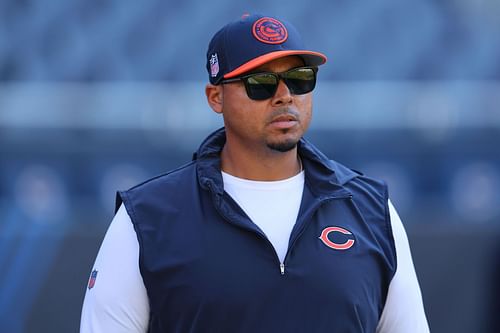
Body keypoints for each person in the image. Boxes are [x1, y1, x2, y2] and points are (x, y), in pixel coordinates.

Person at [80, 13, 429, 333]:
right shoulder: (147, 216)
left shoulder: (370, 209)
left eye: (300, 79)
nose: (284, 96)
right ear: (215, 97)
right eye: (260, 83)